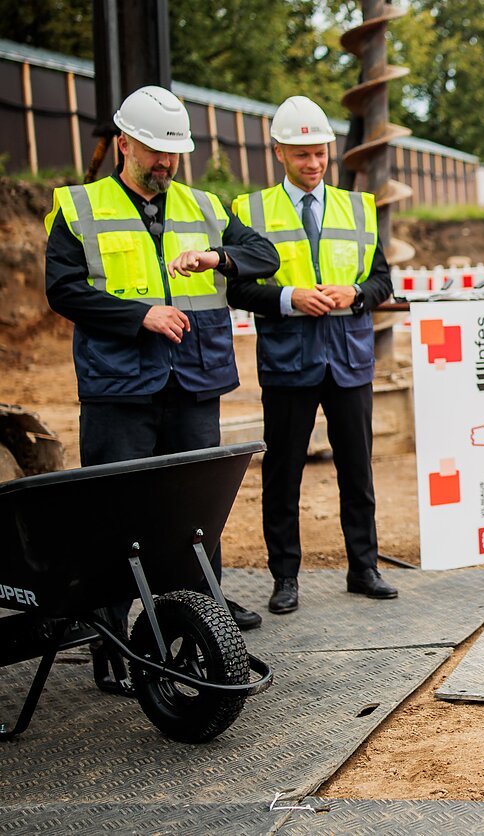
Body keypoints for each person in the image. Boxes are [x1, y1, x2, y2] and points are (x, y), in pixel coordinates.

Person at [44, 85, 279, 690]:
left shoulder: (203, 206)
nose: (166, 164)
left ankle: (202, 630)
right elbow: (63, 290)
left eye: (174, 153)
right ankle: (113, 649)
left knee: (195, 514)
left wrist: (218, 258)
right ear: (123, 143)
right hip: (119, 389)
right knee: (115, 517)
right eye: (154, 151)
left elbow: (264, 255)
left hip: (192, 382)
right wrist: (138, 315)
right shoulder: (78, 206)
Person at [228, 95, 396, 615]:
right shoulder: (249, 211)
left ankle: (363, 567)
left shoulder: (358, 207)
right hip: (288, 360)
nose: (314, 163)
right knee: (283, 473)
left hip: (348, 360)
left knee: (357, 469)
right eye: (301, 154)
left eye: (321, 152)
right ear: (278, 151)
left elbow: (382, 280)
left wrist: (357, 294)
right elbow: (237, 292)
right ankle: (285, 576)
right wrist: (289, 296)